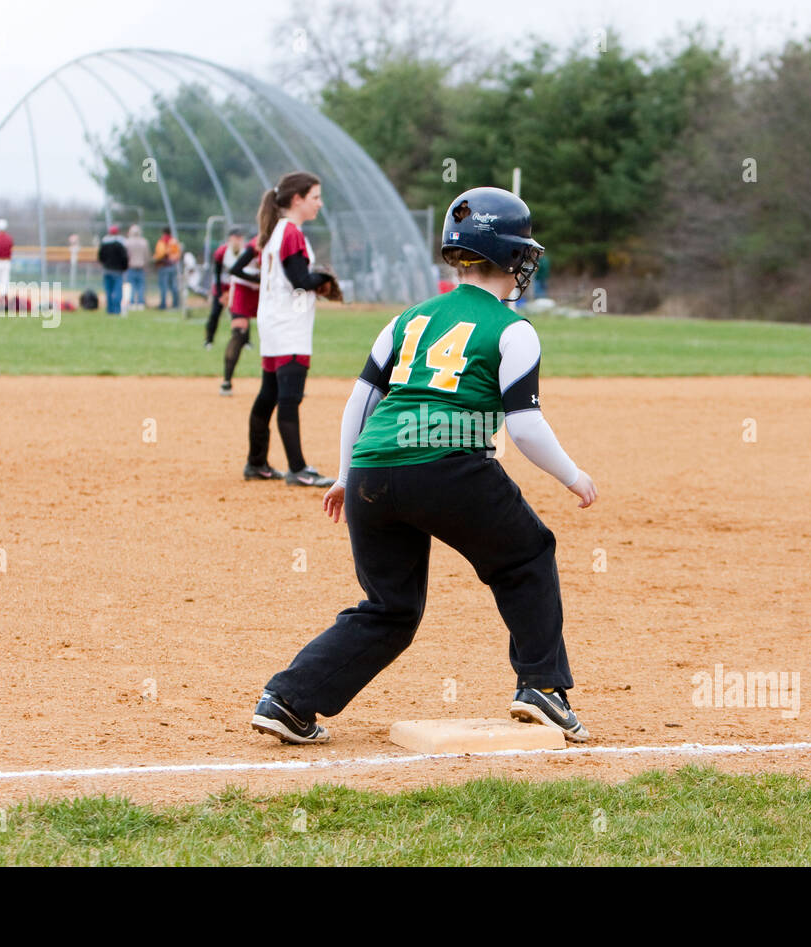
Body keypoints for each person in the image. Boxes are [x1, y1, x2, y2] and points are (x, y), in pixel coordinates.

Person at [251, 186, 598, 746]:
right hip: (449, 465)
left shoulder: (407, 320)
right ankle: (542, 688)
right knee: (527, 555)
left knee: (390, 608)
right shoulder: (513, 329)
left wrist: (345, 474)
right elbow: (525, 425)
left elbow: (360, 400)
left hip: (372, 470)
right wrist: (572, 475)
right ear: (511, 256)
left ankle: (289, 699)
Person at [243, 171, 338, 486]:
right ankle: (298, 469)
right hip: (290, 329)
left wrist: (317, 280)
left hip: (273, 325)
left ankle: (256, 462)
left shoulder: (274, 232)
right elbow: (300, 280)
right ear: (296, 200)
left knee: (268, 394)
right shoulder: (292, 233)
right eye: (314, 198)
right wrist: (324, 279)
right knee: (288, 398)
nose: (319, 204)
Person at [220, 228, 260, 396]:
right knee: (239, 333)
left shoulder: (286, 235)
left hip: (264, 290)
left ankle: (287, 383)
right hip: (244, 288)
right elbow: (235, 270)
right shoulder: (257, 243)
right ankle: (227, 381)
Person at [205, 226, 241, 350]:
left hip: (235, 288)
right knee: (215, 313)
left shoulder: (244, 251)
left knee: (240, 315)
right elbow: (217, 273)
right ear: (230, 238)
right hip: (221, 286)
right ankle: (209, 340)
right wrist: (220, 294)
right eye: (236, 237)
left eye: (240, 237)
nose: (238, 239)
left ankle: (244, 341)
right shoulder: (222, 251)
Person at [97, 225, 129, 315]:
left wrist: (105, 264)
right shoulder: (120, 243)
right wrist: (124, 267)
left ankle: (109, 310)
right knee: (118, 291)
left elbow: (100, 256)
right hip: (118, 271)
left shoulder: (104, 243)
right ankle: (117, 310)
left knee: (108, 291)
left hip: (107, 270)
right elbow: (124, 257)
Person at [154, 227, 181, 309]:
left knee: (163, 286)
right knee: (173, 285)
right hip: (172, 266)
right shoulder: (174, 241)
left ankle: (163, 304)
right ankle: (176, 304)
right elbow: (178, 254)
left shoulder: (162, 241)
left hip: (163, 266)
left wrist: (155, 258)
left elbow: (160, 254)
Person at [124, 224, 149, 309]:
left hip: (131, 266)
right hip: (141, 266)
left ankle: (132, 303)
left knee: (131, 286)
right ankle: (140, 303)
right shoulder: (144, 242)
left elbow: (126, 255)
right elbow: (146, 255)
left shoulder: (127, 242)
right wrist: (146, 265)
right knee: (141, 286)